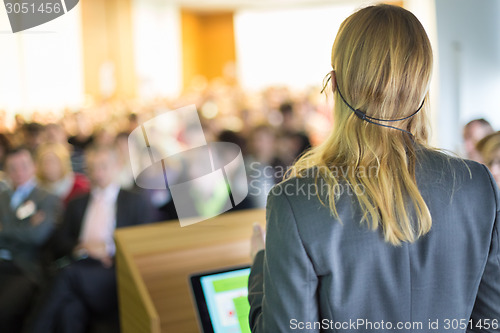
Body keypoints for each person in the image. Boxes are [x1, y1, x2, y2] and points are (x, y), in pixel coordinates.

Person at [248, 4, 500, 333]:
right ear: (422, 87)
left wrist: (259, 268)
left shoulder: (294, 202)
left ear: (334, 84)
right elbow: (490, 322)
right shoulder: (478, 185)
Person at [31, 145, 151, 333]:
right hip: (81, 263)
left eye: (103, 166)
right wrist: (80, 246)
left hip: (112, 269)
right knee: (69, 310)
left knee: (67, 275)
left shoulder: (135, 201)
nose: (98, 173)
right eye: (93, 168)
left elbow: (143, 243)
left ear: (117, 166)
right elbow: (60, 241)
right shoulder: (78, 202)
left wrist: (108, 250)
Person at [0, 147, 61, 333]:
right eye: (13, 167)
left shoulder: (48, 198)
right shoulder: (2, 197)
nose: (19, 172)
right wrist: (23, 228)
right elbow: (28, 233)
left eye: (24, 166)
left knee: (4, 311)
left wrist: (3, 229)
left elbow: (37, 236)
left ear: (34, 166)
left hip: (25, 267)